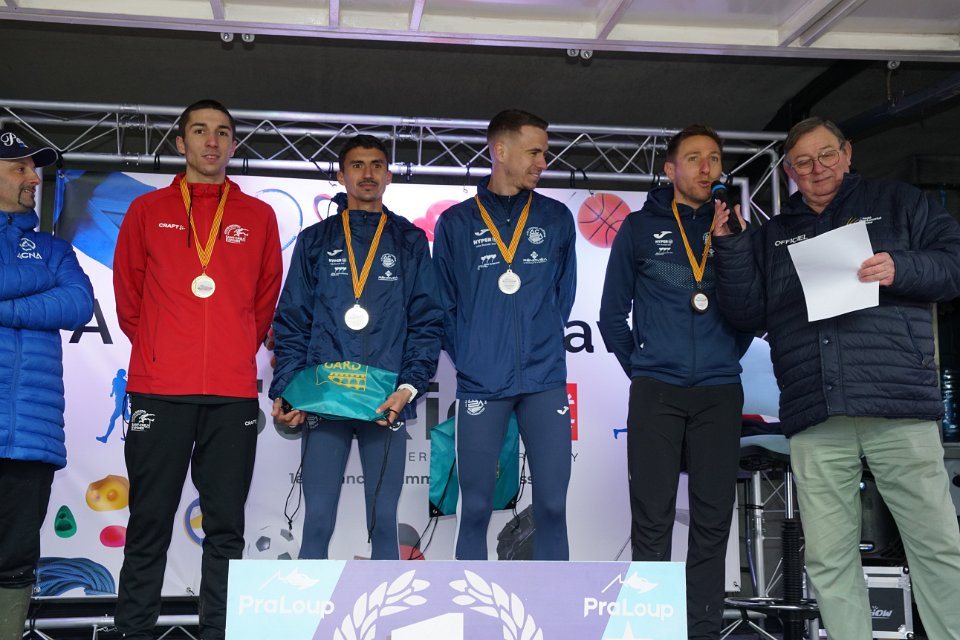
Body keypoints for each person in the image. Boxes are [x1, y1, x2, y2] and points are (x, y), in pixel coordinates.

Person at [713, 116, 960, 640]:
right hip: (815, 411)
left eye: (826, 155)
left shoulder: (899, 203)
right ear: (789, 171)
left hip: (897, 404)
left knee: (937, 545)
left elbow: (953, 266)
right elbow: (746, 313)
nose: (817, 168)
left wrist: (900, 267)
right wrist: (731, 247)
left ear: (847, 154)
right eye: (803, 162)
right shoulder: (773, 234)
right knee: (828, 558)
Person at [112, 99, 282, 640]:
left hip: (231, 394)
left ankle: (218, 632)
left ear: (233, 144)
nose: (212, 141)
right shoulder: (146, 210)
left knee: (226, 529)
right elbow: (129, 298)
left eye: (223, 132)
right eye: (201, 131)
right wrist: (162, 349)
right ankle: (134, 632)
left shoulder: (258, 215)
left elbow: (264, 301)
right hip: (160, 389)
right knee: (149, 523)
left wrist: (232, 349)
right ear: (180, 142)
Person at [598, 124, 750, 639]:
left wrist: (722, 358)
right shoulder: (638, 228)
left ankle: (703, 630)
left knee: (712, 521)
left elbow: (749, 311)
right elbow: (611, 316)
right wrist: (646, 367)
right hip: (656, 392)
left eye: (714, 158)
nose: (706, 168)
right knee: (652, 520)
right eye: (693, 158)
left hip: (719, 393)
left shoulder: (735, 227)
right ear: (670, 169)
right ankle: (652, 630)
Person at [269, 134, 441, 559]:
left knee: (384, 520)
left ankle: (383, 606)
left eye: (377, 165)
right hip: (324, 400)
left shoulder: (409, 241)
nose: (368, 174)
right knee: (317, 519)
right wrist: (290, 389)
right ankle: (311, 604)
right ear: (341, 174)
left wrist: (408, 388)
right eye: (358, 165)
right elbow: (292, 320)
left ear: (389, 175)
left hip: (385, 402)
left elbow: (426, 322)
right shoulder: (315, 240)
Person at [433, 109, 577, 560]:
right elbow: (444, 305)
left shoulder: (556, 218)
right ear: (500, 151)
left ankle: (555, 602)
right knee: (475, 507)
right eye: (534, 152)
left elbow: (563, 296)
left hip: (544, 380)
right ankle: (469, 601)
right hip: (482, 382)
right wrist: (474, 356)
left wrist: (540, 342)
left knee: (552, 506)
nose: (542, 162)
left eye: (545, 153)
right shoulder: (456, 223)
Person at [0, 130, 94, 637]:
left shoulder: (53, 249)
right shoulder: (49, 262)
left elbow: (76, 304)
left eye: (34, 169)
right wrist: (37, 293)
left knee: (15, 560)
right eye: (20, 168)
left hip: (30, 438)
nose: (34, 178)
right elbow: (54, 299)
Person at [96, 368, 129, 443]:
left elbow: (128, 392)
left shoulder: (124, 383)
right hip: (119, 403)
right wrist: (112, 393)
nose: (117, 374)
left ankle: (106, 437)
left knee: (116, 418)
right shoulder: (116, 380)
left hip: (122, 403)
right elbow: (114, 387)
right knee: (125, 417)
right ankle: (106, 437)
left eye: (118, 373)